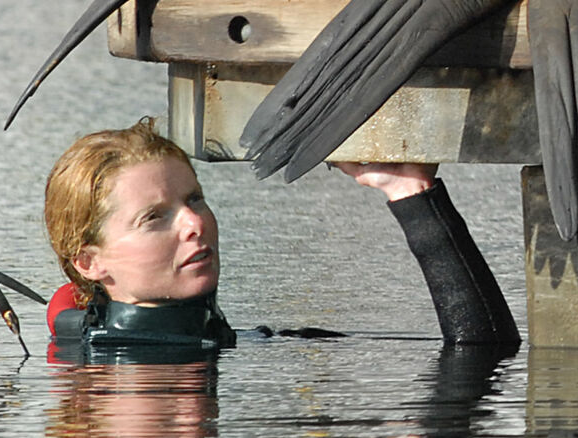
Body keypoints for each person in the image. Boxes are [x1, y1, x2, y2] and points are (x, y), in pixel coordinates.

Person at [42, 118, 518, 355]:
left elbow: (485, 354)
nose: (195, 224)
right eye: (154, 218)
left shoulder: (252, 344)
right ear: (89, 263)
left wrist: (411, 194)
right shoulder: (98, 372)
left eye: (195, 199)